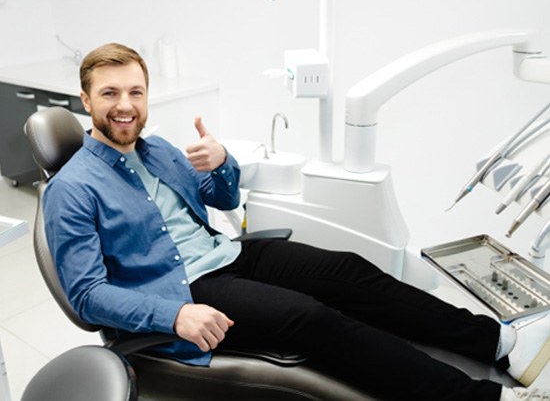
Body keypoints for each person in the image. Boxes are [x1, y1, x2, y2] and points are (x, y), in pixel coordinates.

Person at [43, 42, 550, 401]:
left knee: (350, 270)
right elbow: (88, 297)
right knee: (312, 319)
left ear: (147, 97)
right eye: (110, 94)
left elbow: (220, 199)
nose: (125, 105)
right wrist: (174, 316)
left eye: (135, 92)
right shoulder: (72, 188)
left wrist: (222, 163)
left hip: (230, 254)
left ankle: (501, 343)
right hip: (182, 290)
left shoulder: (162, 152)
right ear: (86, 101)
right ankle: (478, 399)